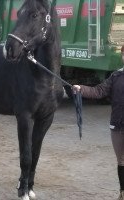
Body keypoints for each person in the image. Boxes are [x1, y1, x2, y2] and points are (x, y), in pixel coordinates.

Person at [73, 45, 124, 200]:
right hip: (117, 127)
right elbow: (99, 91)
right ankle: (122, 192)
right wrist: (80, 88)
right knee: (121, 161)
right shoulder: (116, 77)